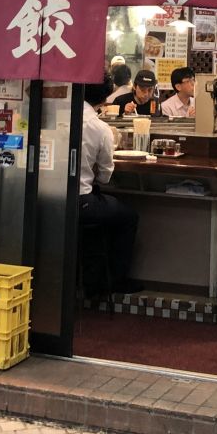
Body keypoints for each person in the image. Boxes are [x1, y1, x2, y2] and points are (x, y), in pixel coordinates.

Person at [79, 82, 141, 294]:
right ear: (105, 98)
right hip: (81, 202)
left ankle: (86, 276)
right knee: (128, 217)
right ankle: (113, 280)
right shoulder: (99, 128)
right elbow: (105, 178)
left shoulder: (58, 116)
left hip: (48, 200)